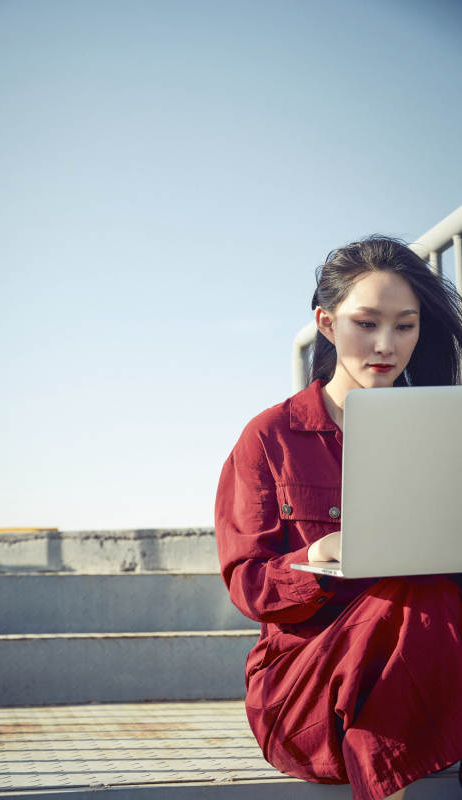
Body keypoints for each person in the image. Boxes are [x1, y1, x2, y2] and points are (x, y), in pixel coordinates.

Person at [214, 235, 462, 800]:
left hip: (433, 657)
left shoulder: (444, 430)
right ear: (326, 324)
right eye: (365, 323)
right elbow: (247, 582)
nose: (385, 344)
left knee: (429, 600)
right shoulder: (270, 436)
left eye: (405, 325)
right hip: (305, 683)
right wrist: (314, 557)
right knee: (409, 601)